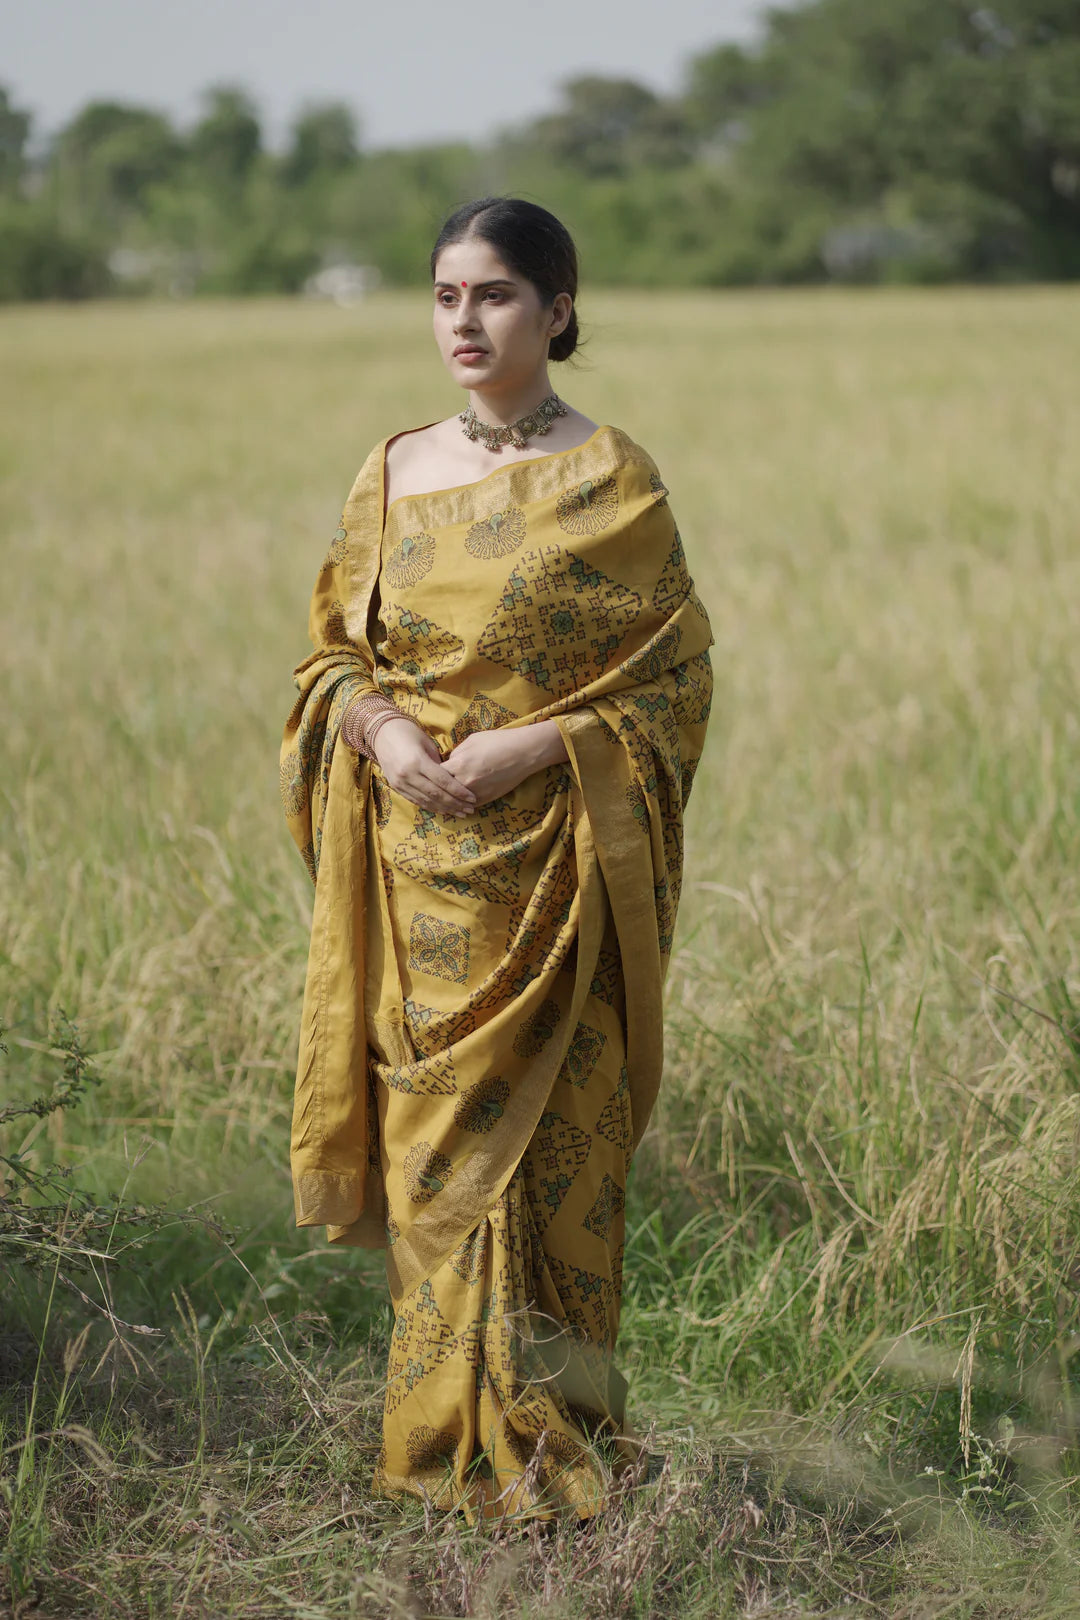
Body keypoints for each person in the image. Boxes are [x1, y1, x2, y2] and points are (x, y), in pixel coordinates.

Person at [280, 196, 713, 1526]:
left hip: (559, 882)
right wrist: (375, 726)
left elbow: (671, 682)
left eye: (498, 296)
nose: (466, 322)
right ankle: (434, 1456)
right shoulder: (391, 468)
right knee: (430, 1179)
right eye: (445, 296)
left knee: (559, 1167)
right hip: (418, 877)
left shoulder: (612, 479)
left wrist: (537, 750)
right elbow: (330, 656)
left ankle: (556, 1450)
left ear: (560, 311)